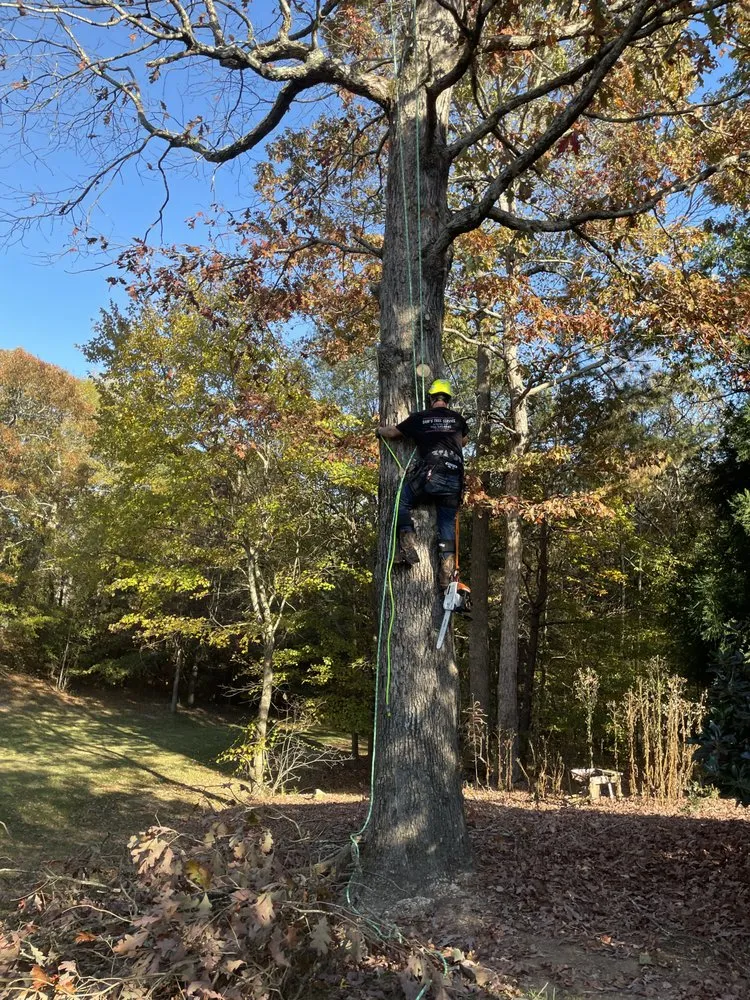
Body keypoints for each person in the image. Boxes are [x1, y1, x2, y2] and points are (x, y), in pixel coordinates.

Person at [376, 379, 468, 588]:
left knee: (402, 500)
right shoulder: (458, 419)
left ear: (431, 398)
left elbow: (393, 433)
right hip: (454, 479)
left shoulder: (421, 418)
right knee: (446, 525)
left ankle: (407, 546)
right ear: (448, 399)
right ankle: (446, 575)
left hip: (431, 475)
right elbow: (464, 441)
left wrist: (379, 431)